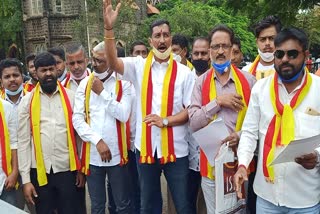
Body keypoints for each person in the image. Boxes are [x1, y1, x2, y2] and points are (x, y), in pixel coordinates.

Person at [103, 2, 195, 213]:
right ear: (150, 40)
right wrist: (109, 30)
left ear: (171, 38)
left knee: (182, 204)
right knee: (148, 205)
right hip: (146, 151)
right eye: (157, 36)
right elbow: (112, 63)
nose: (162, 40)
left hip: (176, 151)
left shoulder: (184, 73)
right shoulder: (139, 66)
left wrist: (165, 121)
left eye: (165, 35)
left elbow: (190, 111)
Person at [234, 27, 320, 213]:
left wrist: (317, 157)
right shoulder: (260, 89)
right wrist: (242, 164)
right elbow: (249, 132)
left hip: (305, 197)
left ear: (305, 55)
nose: (285, 59)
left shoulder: (318, 89)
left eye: (292, 54)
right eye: (279, 54)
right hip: (267, 196)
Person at [188, 25, 256, 214]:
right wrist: (217, 102)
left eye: (224, 46)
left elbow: (259, 124)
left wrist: (240, 135)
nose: (220, 51)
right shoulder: (200, 83)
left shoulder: (249, 82)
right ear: (210, 50)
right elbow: (193, 122)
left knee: (239, 212)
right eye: (216, 46)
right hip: (211, 166)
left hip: (240, 163)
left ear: (231, 49)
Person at [17, 52, 85, 214]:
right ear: (36, 73)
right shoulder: (27, 101)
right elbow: (24, 142)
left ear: (57, 70)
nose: (48, 74)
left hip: (68, 170)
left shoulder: (71, 97)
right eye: (43, 70)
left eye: (51, 69)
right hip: (40, 173)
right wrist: (26, 180)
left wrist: (82, 169)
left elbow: (79, 137)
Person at [73, 41, 133, 214]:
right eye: (94, 59)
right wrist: (97, 141)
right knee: (97, 206)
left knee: (122, 204)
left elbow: (123, 115)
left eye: (101, 61)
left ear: (113, 61)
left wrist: (102, 93)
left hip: (117, 155)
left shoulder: (124, 83)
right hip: (93, 155)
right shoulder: (85, 84)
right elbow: (77, 119)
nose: (95, 64)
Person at [187, 36, 211, 214]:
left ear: (210, 54)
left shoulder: (218, 80)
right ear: (191, 55)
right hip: (187, 154)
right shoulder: (184, 79)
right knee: (187, 202)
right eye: (197, 53)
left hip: (212, 154)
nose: (200, 57)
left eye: (204, 53)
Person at [0, 59, 19, 207]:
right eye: (7, 76)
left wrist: (14, 173)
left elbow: (14, 142)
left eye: (15, 75)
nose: (12, 79)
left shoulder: (6, 108)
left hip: (5, 177)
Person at [242, 15, 282, 80]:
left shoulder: (286, 70)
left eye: (272, 38)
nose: (267, 43)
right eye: (263, 39)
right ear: (257, 42)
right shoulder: (246, 71)